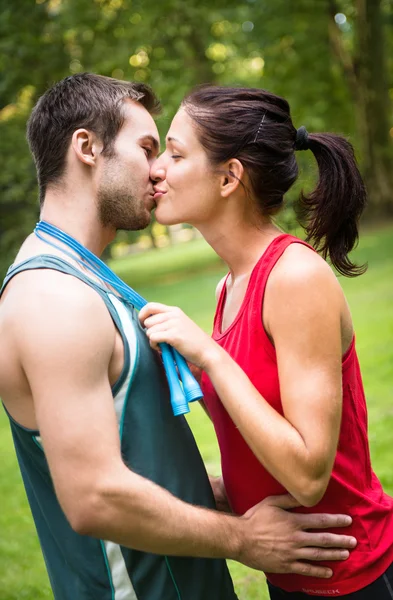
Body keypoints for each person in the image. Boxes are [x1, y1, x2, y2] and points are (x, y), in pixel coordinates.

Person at [0, 74, 356, 600]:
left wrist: (200, 491)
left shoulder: (87, 279)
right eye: (147, 148)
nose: (157, 170)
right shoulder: (52, 299)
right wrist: (241, 539)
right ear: (87, 147)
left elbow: (131, 446)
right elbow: (95, 497)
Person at [141, 85, 393, 598]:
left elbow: (306, 477)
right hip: (291, 573)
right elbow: (260, 429)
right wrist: (224, 491)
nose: (156, 169)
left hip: (350, 575)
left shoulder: (295, 278)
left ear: (230, 176)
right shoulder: (229, 286)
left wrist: (209, 355)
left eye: (176, 152)